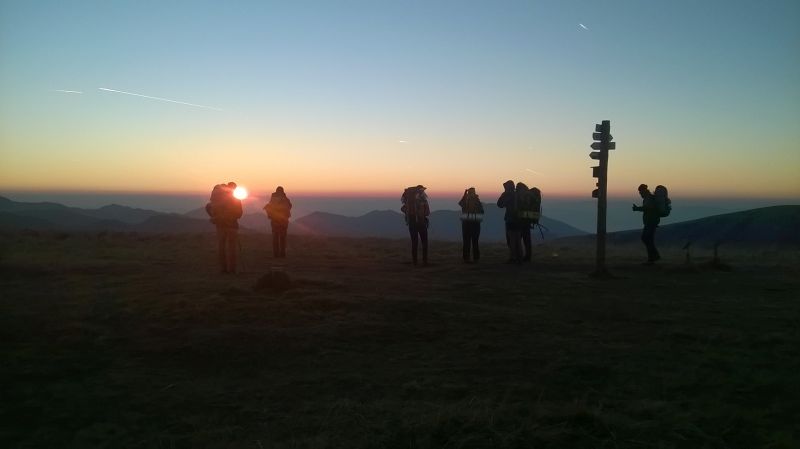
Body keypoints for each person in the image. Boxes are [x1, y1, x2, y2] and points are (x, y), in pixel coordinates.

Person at [206, 182, 243, 274]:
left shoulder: (217, 199)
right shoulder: (236, 199)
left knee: (221, 247)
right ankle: (232, 269)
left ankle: (223, 269)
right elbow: (239, 214)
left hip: (220, 226)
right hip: (232, 226)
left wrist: (214, 217)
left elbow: (208, 206)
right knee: (231, 248)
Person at [401, 185, 430, 266]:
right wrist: (422, 214)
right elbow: (427, 212)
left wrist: (409, 214)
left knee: (414, 243)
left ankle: (415, 262)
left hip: (412, 223)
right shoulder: (423, 200)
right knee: (424, 242)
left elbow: (402, 208)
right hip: (421, 223)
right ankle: (424, 261)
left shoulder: (409, 201)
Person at [632, 183, 661, 264]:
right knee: (648, 239)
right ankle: (653, 258)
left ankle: (653, 257)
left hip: (650, 222)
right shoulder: (649, 198)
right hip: (651, 222)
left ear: (643, 191)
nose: (640, 194)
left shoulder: (648, 198)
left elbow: (647, 208)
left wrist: (637, 208)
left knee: (646, 238)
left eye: (640, 192)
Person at [497, 180, 522, 264]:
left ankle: (513, 257)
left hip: (510, 220)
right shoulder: (518, 194)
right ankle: (519, 257)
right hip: (519, 220)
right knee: (518, 239)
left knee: (511, 239)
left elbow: (500, 204)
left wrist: (504, 194)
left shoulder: (508, 195)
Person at [264, 186, 292, 258]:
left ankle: (276, 254)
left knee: (275, 237)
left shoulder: (273, 200)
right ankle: (282, 253)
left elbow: (268, 207)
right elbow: (290, 206)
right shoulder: (286, 199)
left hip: (275, 221)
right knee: (282, 238)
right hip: (283, 222)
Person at [458, 187, 484, 263]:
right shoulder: (476, 201)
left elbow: (460, 204)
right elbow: (482, 212)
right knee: (473, 241)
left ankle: (468, 258)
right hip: (473, 223)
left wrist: (464, 195)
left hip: (468, 223)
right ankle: (474, 258)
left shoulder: (473, 201)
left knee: (468, 241)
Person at [516, 182, 533, 262]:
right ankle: (527, 256)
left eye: (517, 188)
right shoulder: (529, 195)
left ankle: (520, 256)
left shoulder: (523, 197)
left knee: (519, 240)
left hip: (521, 221)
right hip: (527, 221)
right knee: (527, 240)